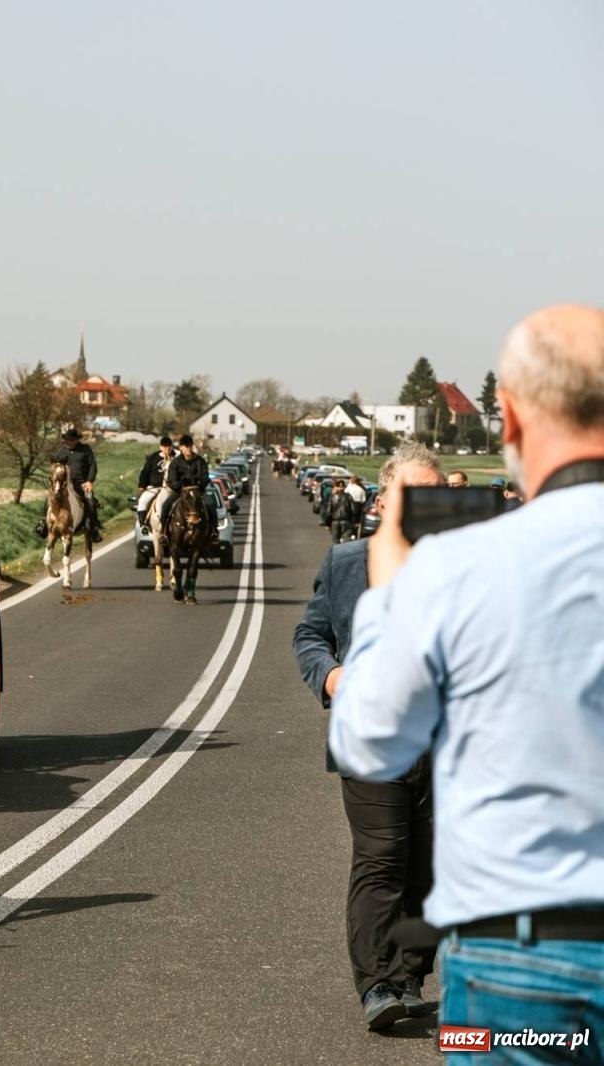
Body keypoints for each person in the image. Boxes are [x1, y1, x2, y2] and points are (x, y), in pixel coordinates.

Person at [330, 304, 604, 1042]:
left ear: (508, 418)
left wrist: (389, 596)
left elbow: (365, 741)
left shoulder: (462, 567)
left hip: (520, 953)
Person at [293, 442, 445, 1031]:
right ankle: (378, 985)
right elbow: (310, 635)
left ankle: (409, 973)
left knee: (428, 866)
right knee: (382, 857)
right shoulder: (346, 563)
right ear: (383, 501)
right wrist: (330, 675)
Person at [50, 427, 103, 542]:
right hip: (65, 484)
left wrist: (89, 481)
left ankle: (94, 528)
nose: (70, 442)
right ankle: (44, 525)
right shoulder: (62, 451)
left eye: (72, 440)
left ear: (76, 440)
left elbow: (93, 466)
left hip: (82, 484)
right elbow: (55, 465)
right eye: (68, 440)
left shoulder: (86, 450)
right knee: (49, 500)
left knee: (90, 501)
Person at [159, 434, 217, 531]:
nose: (189, 448)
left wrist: (199, 484)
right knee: (165, 506)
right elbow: (171, 480)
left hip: (198, 492)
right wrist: (180, 486)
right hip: (180, 492)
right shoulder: (175, 463)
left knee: (210, 504)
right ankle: (163, 532)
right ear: (181, 448)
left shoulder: (200, 461)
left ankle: (214, 530)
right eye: (186, 446)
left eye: (190, 446)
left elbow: (206, 477)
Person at [136, 435, 176, 530]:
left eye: (169, 446)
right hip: (153, 487)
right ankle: (143, 524)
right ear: (160, 447)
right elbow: (144, 472)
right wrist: (142, 486)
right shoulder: (153, 458)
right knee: (142, 501)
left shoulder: (176, 459)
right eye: (165, 446)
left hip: (170, 489)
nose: (167, 448)